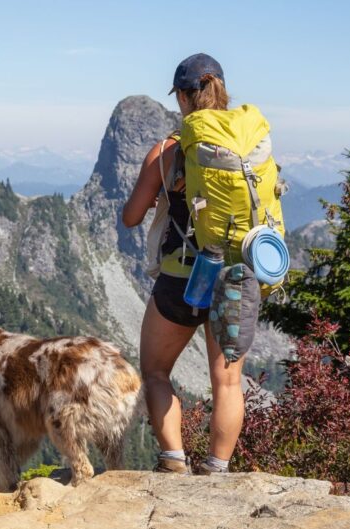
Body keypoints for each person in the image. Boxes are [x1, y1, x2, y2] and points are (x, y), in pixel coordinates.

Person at [121, 53, 244, 475]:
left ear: (185, 98)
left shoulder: (167, 149)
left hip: (182, 275)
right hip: (234, 276)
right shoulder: (247, 146)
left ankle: (173, 458)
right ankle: (217, 468)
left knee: (155, 370)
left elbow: (131, 217)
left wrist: (163, 192)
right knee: (226, 381)